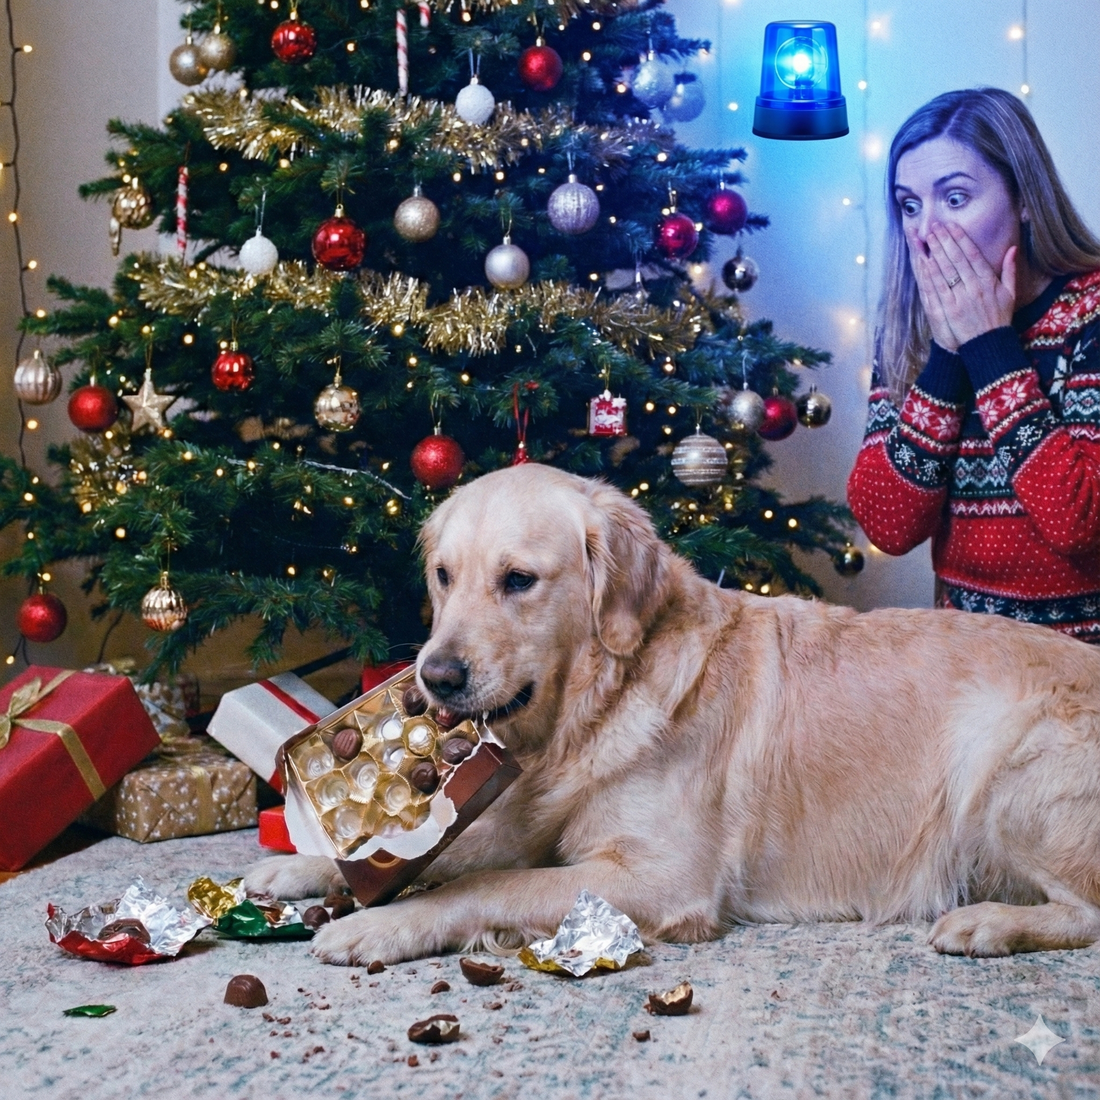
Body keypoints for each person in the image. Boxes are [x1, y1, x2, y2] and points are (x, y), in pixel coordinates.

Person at [847, 87, 1100, 640]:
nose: (926, 230)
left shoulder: (1091, 312)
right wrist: (946, 356)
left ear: (1024, 199)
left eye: (955, 198)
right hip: (965, 667)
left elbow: (1079, 522)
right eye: (910, 205)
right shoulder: (909, 327)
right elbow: (886, 524)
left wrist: (989, 346)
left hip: (1084, 667)